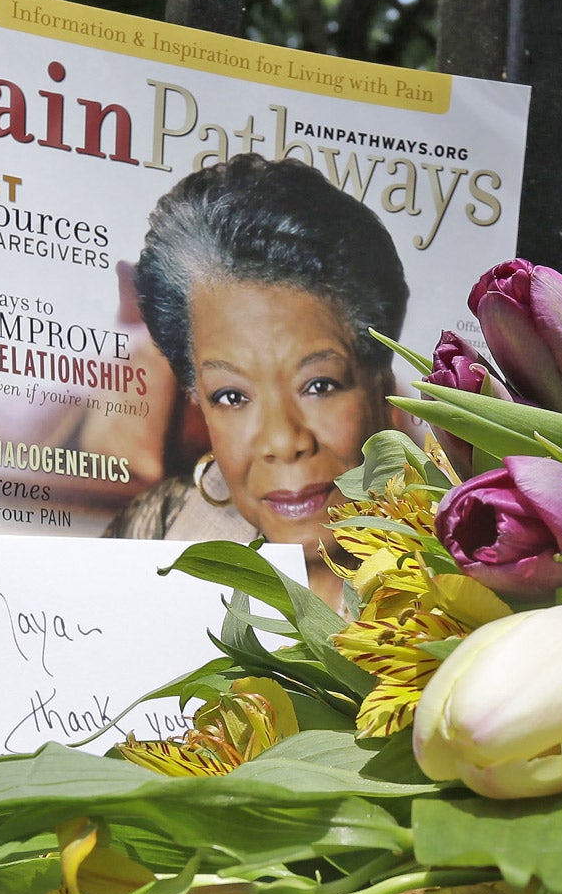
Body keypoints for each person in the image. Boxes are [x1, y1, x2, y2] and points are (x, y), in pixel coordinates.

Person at [106, 155, 409, 609]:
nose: (284, 442)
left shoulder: (468, 569)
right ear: (198, 401)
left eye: (319, 385)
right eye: (231, 396)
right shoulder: (160, 531)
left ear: (383, 390)